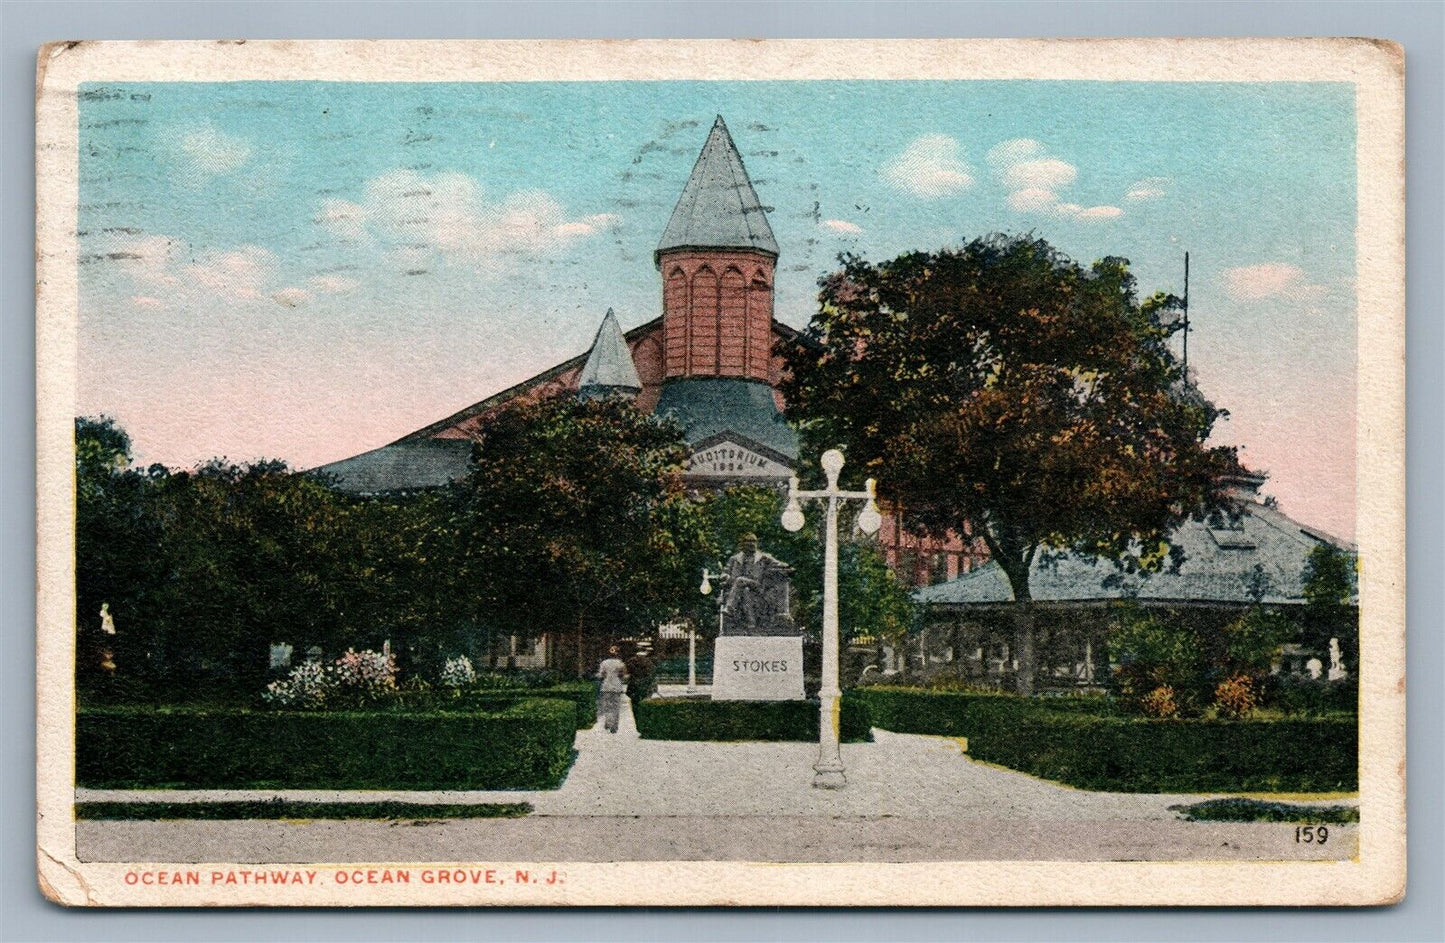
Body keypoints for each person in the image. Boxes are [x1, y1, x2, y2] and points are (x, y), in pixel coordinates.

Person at [721, 533, 793, 634]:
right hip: (741, 589)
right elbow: (725, 572)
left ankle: (730, 607)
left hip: (757, 586)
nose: (751, 544)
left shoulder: (763, 557)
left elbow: (778, 564)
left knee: (740, 580)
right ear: (742, 544)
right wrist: (725, 577)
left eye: (753, 541)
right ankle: (752, 625)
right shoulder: (734, 559)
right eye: (748, 541)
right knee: (745, 590)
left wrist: (787, 566)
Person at [595, 645, 629, 734]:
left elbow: (601, 674)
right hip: (617, 687)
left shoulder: (604, 663)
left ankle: (608, 722)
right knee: (616, 707)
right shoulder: (620, 664)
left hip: (606, 687)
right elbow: (624, 675)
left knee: (607, 706)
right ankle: (614, 725)